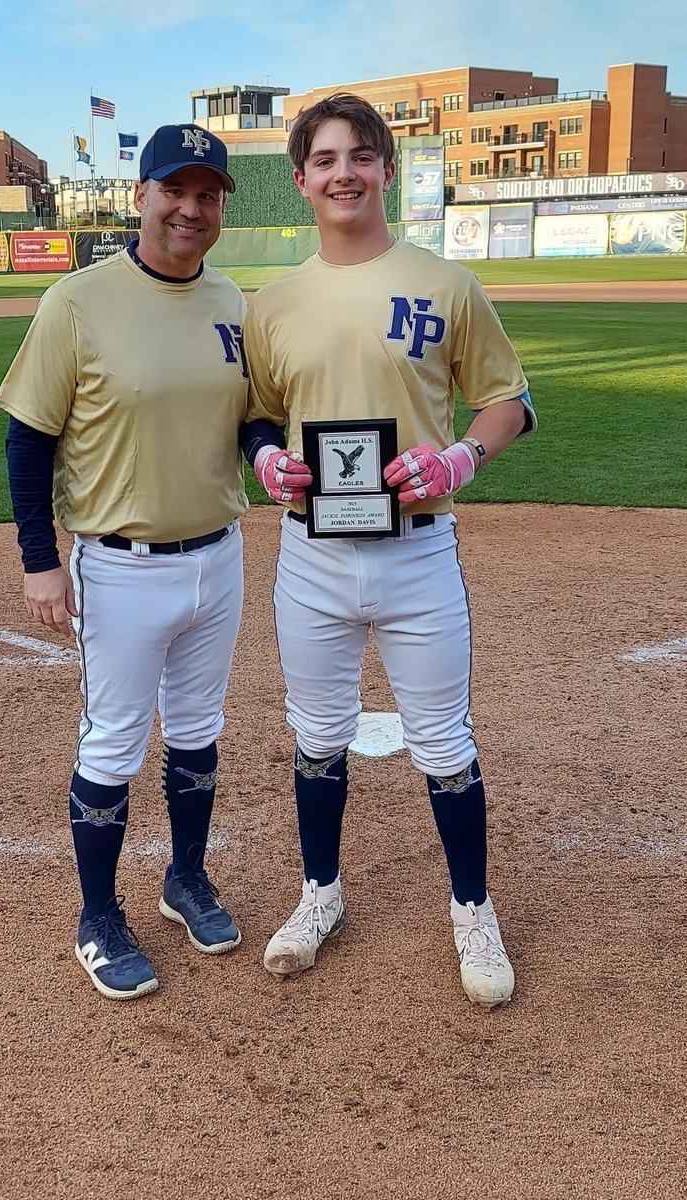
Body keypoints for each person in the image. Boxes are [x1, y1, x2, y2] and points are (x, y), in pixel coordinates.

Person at [242, 93, 536, 1009]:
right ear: (301, 181)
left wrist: (460, 456)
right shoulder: (275, 302)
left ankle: (472, 910)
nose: (343, 173)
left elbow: (510, 401)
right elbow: (253, 410)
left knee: (444, 741)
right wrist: (263, 455)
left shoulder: (446, 282)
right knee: (318, 735)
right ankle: (320, 895)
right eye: (325, 160)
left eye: (360, 157)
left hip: (417, 553)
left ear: (385, 170)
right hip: (312, 556)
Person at [0, 124, 252, 1001]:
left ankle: (185, 878)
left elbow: (252, 417)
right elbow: (28, 439)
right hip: (121, 564)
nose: (191, 208)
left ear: (221, 205)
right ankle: (98, 915)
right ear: (140, 196)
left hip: (219, 555)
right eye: (174, 190)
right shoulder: (77, 301)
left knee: (198, 731)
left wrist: (270, 454)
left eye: (207, 193)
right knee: (112, 742)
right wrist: (40, 560)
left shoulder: (232, 301)